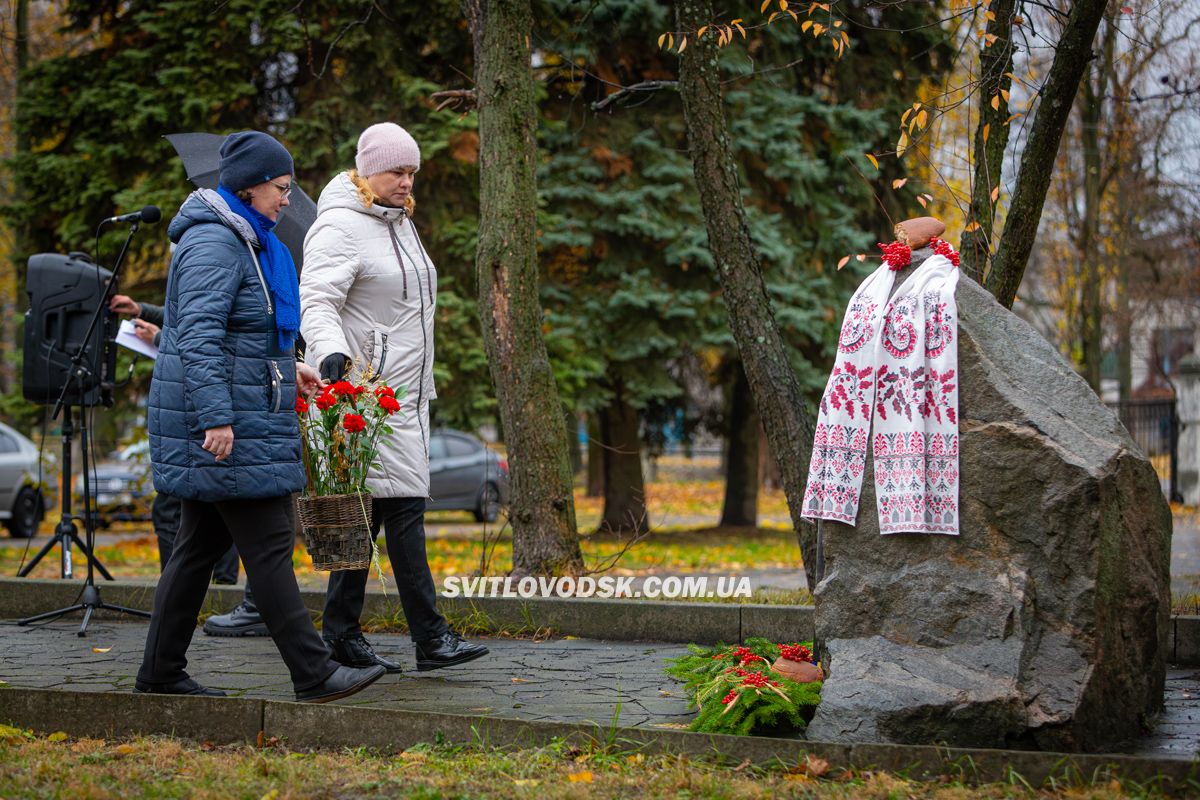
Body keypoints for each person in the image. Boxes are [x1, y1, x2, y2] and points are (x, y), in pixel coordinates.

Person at [135, 130, 385, 701]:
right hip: (229, 425)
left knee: (196, 549)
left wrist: (284, 364)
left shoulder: (244, 242)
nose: (286, 199)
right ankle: (315, 673)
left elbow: (237, 335)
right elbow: (196, 339)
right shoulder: (215, 246)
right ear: (248, 187)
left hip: (243, 411)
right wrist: (217, 419)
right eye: (280, 187)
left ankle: (158, 674)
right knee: (270, 543)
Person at [299, 122, 488, 673]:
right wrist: (330, 351)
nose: (408, 182)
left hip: (405, 394)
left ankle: (342, 631)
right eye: (397, 172)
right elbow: (318, 299)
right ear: (367, 171)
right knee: (401, 511)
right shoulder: (339, 226)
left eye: (412, 172)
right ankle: (429, 637)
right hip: (363, 397)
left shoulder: (398, 223)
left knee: (373, 515)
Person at [110, 294, 240, 587]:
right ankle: (220, 584)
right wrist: (142, 308)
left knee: (182, 507)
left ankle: (180, 586)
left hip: (198, 409)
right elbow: (190, 317)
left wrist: (158, 339)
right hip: (202, 408)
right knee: (217, 502)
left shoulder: (209, 255)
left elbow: (199, 337)